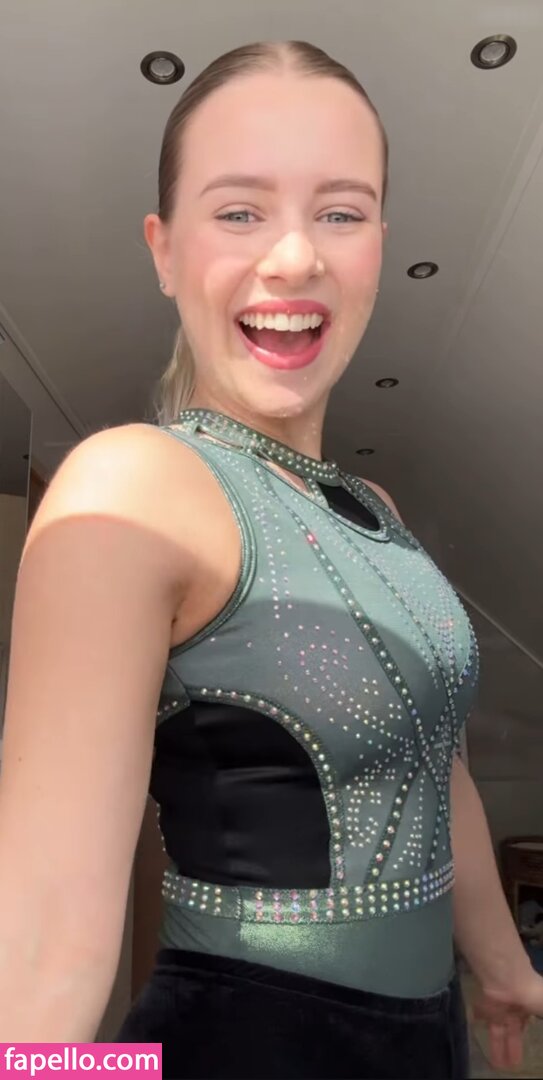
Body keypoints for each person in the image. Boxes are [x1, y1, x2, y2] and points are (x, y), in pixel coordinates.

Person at [0, 37, 541, 1080]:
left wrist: (504, 967)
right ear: (164, 249)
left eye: (340, 212)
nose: (294, 257)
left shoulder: (375, 509)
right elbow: (42, 940)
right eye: (239, 211)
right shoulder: (131, 482)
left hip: (427, 1039)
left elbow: (438, 765)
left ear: (380, 242)